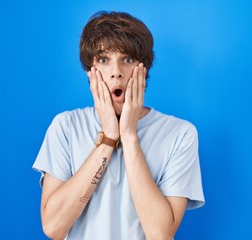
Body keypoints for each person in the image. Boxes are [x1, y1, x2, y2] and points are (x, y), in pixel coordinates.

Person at [33, 11, 205, 240]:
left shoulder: (180, 133)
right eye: (103, 60)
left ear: (143, 69)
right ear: (90, 71)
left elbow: (160, 234)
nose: (116, 73)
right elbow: (53, 227)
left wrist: (130, 136)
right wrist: (109, 138)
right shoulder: (65, 126)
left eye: (127, 59)